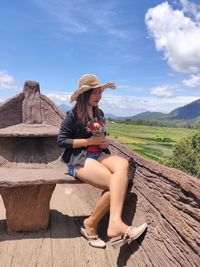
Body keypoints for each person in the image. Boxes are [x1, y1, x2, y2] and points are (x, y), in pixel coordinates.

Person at [57, 74, 147, 249]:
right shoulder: (73, 115)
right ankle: (92, 225)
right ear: (84, 95)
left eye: (100, 92)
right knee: (115, 184)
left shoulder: (100, 113)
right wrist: (89, 142)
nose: (99, 96)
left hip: (99, 154)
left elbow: (102, 136)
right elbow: (61, 141)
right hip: (79, 159)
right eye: (94, 93)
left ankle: (111, 223)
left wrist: (103, 141)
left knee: (123, 164)